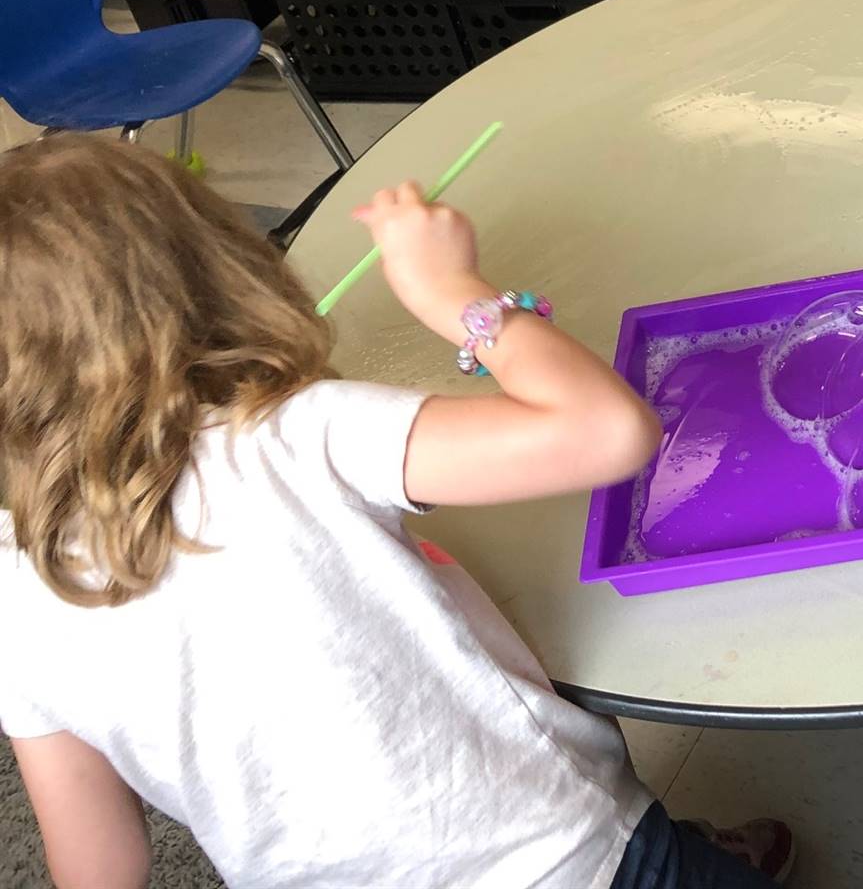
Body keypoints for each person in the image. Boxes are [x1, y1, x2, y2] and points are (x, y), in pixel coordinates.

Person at [0, 138, 794, 889]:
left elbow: (98, 868)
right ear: (210, 267)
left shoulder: (10, 588)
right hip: (563, 856)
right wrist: (456, 295)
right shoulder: (288, 433)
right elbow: (608, 432)